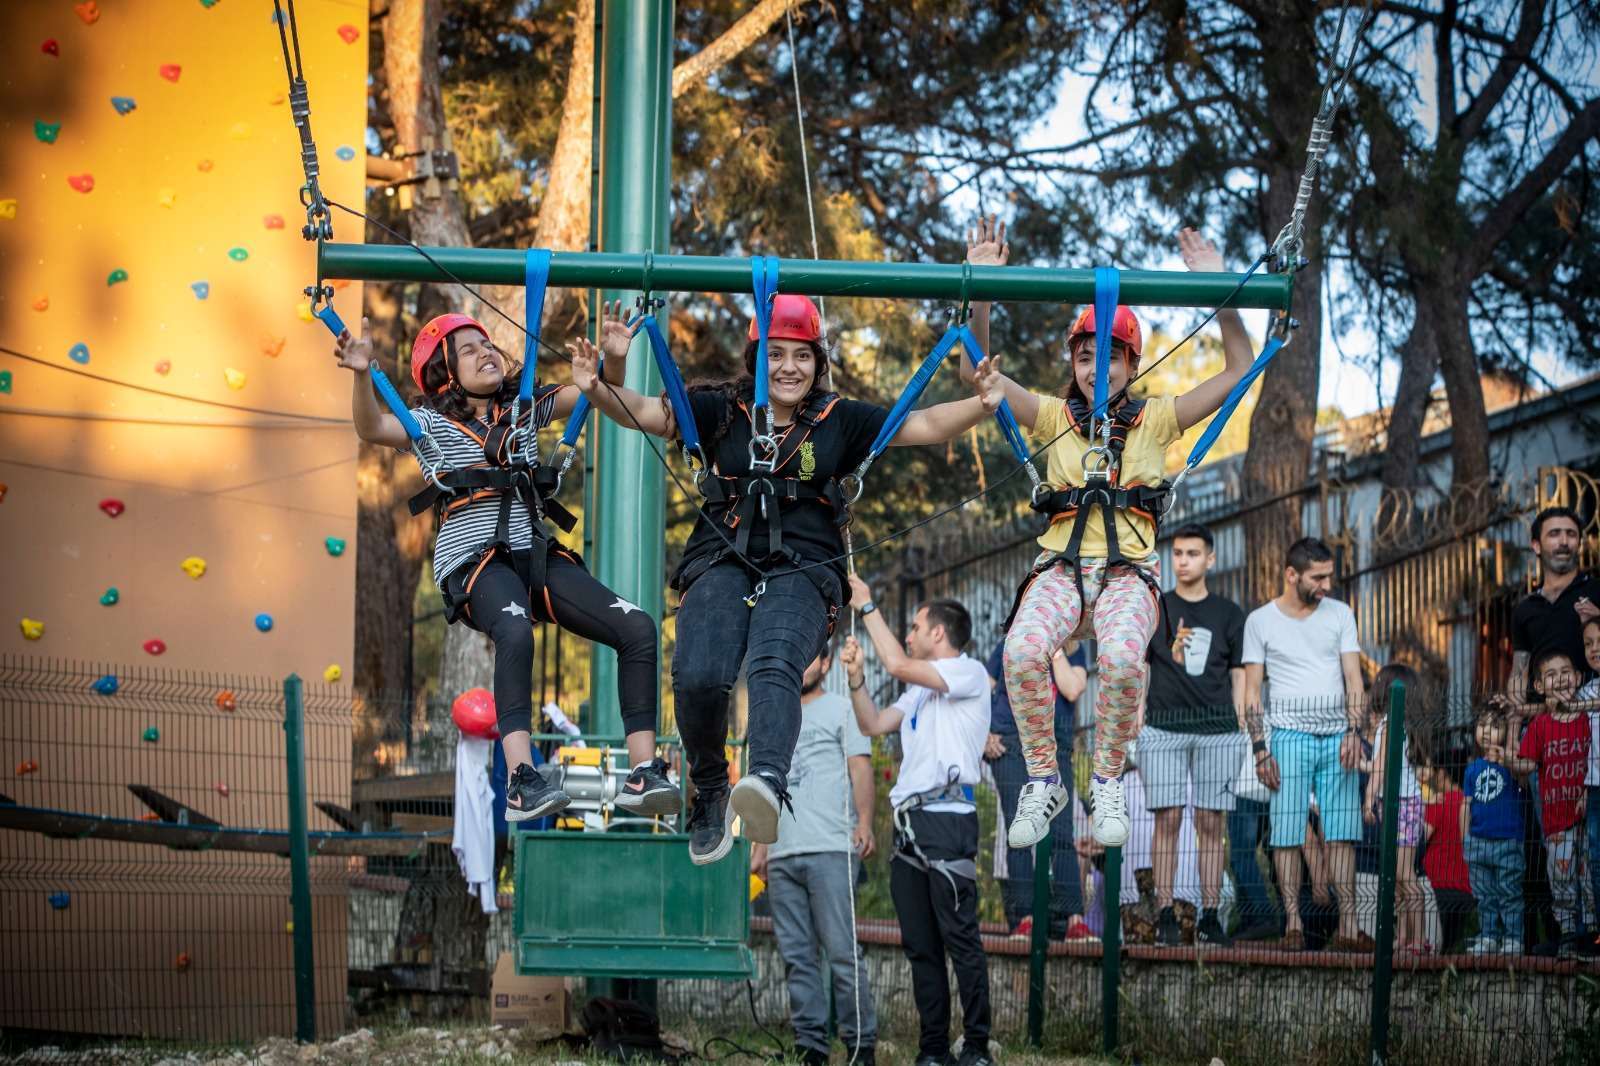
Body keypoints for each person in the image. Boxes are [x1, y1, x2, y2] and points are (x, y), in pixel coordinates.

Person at [566, 285, 1003, 864]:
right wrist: (602, 383)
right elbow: (643, 411)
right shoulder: (722, 407)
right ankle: (711, 787)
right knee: (699, 671)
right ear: (756, 359)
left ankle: (767, 780)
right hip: (722, 556)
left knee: (775, 661)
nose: (789, 367)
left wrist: (981, 404)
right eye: (776, 354)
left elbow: (922, 424)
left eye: (802, 355)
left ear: (819, 364)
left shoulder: (838, 420)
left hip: (804, 565)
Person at [961, 224, 1263, 849]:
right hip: (1061, 570)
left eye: (1112, 356)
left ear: (1131, 363)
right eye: (1084, 355)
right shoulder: (1050, 415)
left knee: (1125, 658)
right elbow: (980, 374)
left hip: (1128, 572)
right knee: (1020, 653)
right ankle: (1044, 780)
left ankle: (1105, 780)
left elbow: (1239, 369)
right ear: (1072, 363)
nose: (1097, 367)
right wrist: (982, 290)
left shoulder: (1155, 419)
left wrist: (1218, 284)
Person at [334, 314, 673, 820]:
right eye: (467, 350)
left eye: (486, 344)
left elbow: (595, 392)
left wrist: (614, 358)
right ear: (445, 374)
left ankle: (644, 772)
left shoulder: (521, 410)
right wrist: (363, 375)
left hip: (533, 555)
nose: (484, 352)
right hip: (474, 562)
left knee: (639, 627)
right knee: (515, 632)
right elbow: (373, 427)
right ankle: (521, 778)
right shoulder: (426, 425)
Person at [841, 583, 993, 1066]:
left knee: (961, 940)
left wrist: (866, 605)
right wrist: (857, 681)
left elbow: (899, 663)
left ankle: (975, 1047)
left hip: (948, 821)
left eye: (914, 626)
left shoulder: (968, 672)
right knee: (921, 947)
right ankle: (932, 1050)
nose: (908, 635)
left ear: (939, 632)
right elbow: (872, 724)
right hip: (909, 826)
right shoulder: (919, 693)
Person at [750, 644, 877, 1066]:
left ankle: (862, 1044)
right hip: (783, 852)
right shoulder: (771, 716)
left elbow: (861, 768)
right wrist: (759, 844)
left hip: (831, 848)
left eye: (810, 658)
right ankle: (811, 1047)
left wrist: (864, 822)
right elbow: (759, 789)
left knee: (842, 951)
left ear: (824, 664)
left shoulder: (842, 710)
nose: (801, 666)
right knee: (797, 956)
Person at [1242, 537, 1371, 953]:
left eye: (1329, 576)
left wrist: (1355, 732)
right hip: (1288, 736)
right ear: (1291, 575)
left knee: (1342, 833)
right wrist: (1261, 748)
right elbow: (1251, 691)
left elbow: (1354, 678)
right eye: (1318, 577)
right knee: (1286, 832)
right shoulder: (1260, 621)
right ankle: (1293, 924)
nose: (1327, 585)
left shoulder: (1341, 614)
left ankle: (1349, 927)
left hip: (1338, 736)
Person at [1140, 522, 1246, 947]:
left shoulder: (1229, 614)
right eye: (1178, 553)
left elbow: (1239, 677)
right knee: (1167, 818)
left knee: (1209, 821)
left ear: (1210, 558)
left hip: (1218, 730)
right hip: (1162, 727)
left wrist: (1241, 726)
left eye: (1192, 553)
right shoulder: (1156, 608)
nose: (1183, 561)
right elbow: (1142, 667)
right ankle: (1165, 912)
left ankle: (1209, 915)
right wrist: (1133, 720)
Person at [983, 637, 1095, 941]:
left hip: (1054, 743)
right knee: (1019, 831)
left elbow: (1072, 688)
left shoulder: (1074, 648)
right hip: (1010, 740)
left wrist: (1054, 647)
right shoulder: (1011, 641)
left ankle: (1074, 919)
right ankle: (1025, 919)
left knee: (1060, 831)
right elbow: (982, 687)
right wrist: (983, 732)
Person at [1509, 648, 1596, 959]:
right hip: (1556, 822)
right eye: (1550, 674)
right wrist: (1508, 744)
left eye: (1565, 672)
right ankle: (1568, 934)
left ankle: (1592, 935)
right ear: (1539, 686)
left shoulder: (1589, 719)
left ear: (1577, 677)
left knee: (1589, 877)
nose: (1560, 679)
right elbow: (1525, 766)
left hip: (1586, 816)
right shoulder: (1540, 726)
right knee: (1561, 880)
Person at [1364, 664, 1428, 953]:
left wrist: (1368, 796)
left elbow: (1380, 768)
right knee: (1399, 878)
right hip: (1401, 804)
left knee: (1404, 874)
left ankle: (1419, 939)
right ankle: (1402, 936)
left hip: (1402, 805)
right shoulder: (1396, 723)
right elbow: (1386, 765)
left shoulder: (1389, 725)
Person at [1508, 506, 1598, 705]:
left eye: (1571, 534)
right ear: (1536, 545)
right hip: (1540, 723)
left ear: (1579, 543)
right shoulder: (1524, 609)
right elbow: (1519, 674)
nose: (1564, 542)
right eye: (1554, 534)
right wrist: (1514, 727)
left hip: (1591, 716)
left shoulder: (1596, 590)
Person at [1463, 703, 1526, 955]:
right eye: (1482, 725)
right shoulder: (1472, 768)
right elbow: (1465, 805)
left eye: (1495, 726)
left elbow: (1524, 781)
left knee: (1509, 892)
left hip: (1507, 840)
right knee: (1484, 895)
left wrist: (1509, 760)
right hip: (1477, 841)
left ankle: (1513, 939)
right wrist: (1465, 838)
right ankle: (1488, 936)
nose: (1486, 731)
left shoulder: (1512, 763)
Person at [1421, 764, 1474, 954]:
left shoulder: (1441, 801)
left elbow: (1422, 837)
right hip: (1466, 891)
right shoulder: (1471, 804)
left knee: (1431, 951)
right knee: (1449, 952)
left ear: (1443, 773)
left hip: (1437, 889)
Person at [1576, 616, 1600, 953]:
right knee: (1596, 858)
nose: (1594, 649)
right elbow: (1583, 744)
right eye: (1588, 643)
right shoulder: (1586, 692)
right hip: (1594, 787)